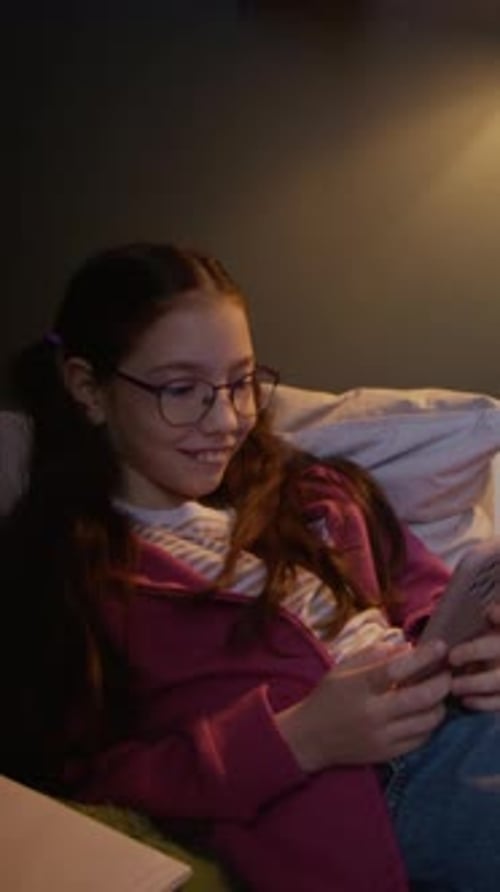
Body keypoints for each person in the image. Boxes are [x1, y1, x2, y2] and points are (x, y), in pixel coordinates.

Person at [3, 242, 500, 892]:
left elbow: (429, 595)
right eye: (183, 390)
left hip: (452, 715)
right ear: (88, 388)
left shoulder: (315, 492)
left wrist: (480, 651)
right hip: (368, 792)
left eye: (241, 382)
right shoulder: (70, 577)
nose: (228, 419)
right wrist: (298, 741)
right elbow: (78, 777)